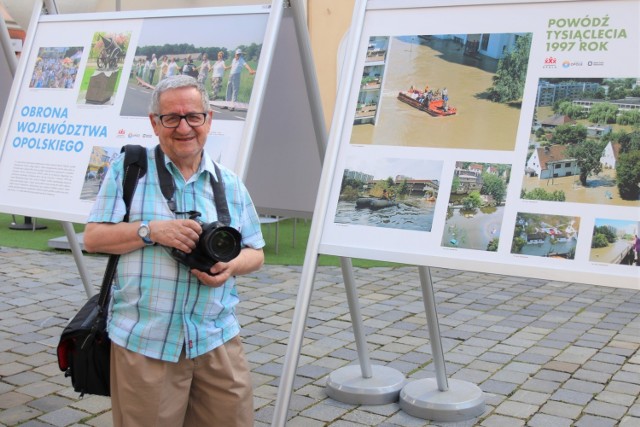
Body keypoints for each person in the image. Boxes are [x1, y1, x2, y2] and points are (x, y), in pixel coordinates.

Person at [83, 75, 265, 427]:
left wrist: (231, 266)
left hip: (216, 340)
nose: (184, 127)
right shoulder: (129, 170)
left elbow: (255, 252)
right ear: (155, 123)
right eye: (172, 118)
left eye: (193, 116)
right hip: (148, 343)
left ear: (209, 120)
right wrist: (152, 230)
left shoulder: (228, 182)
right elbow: (93, 238)